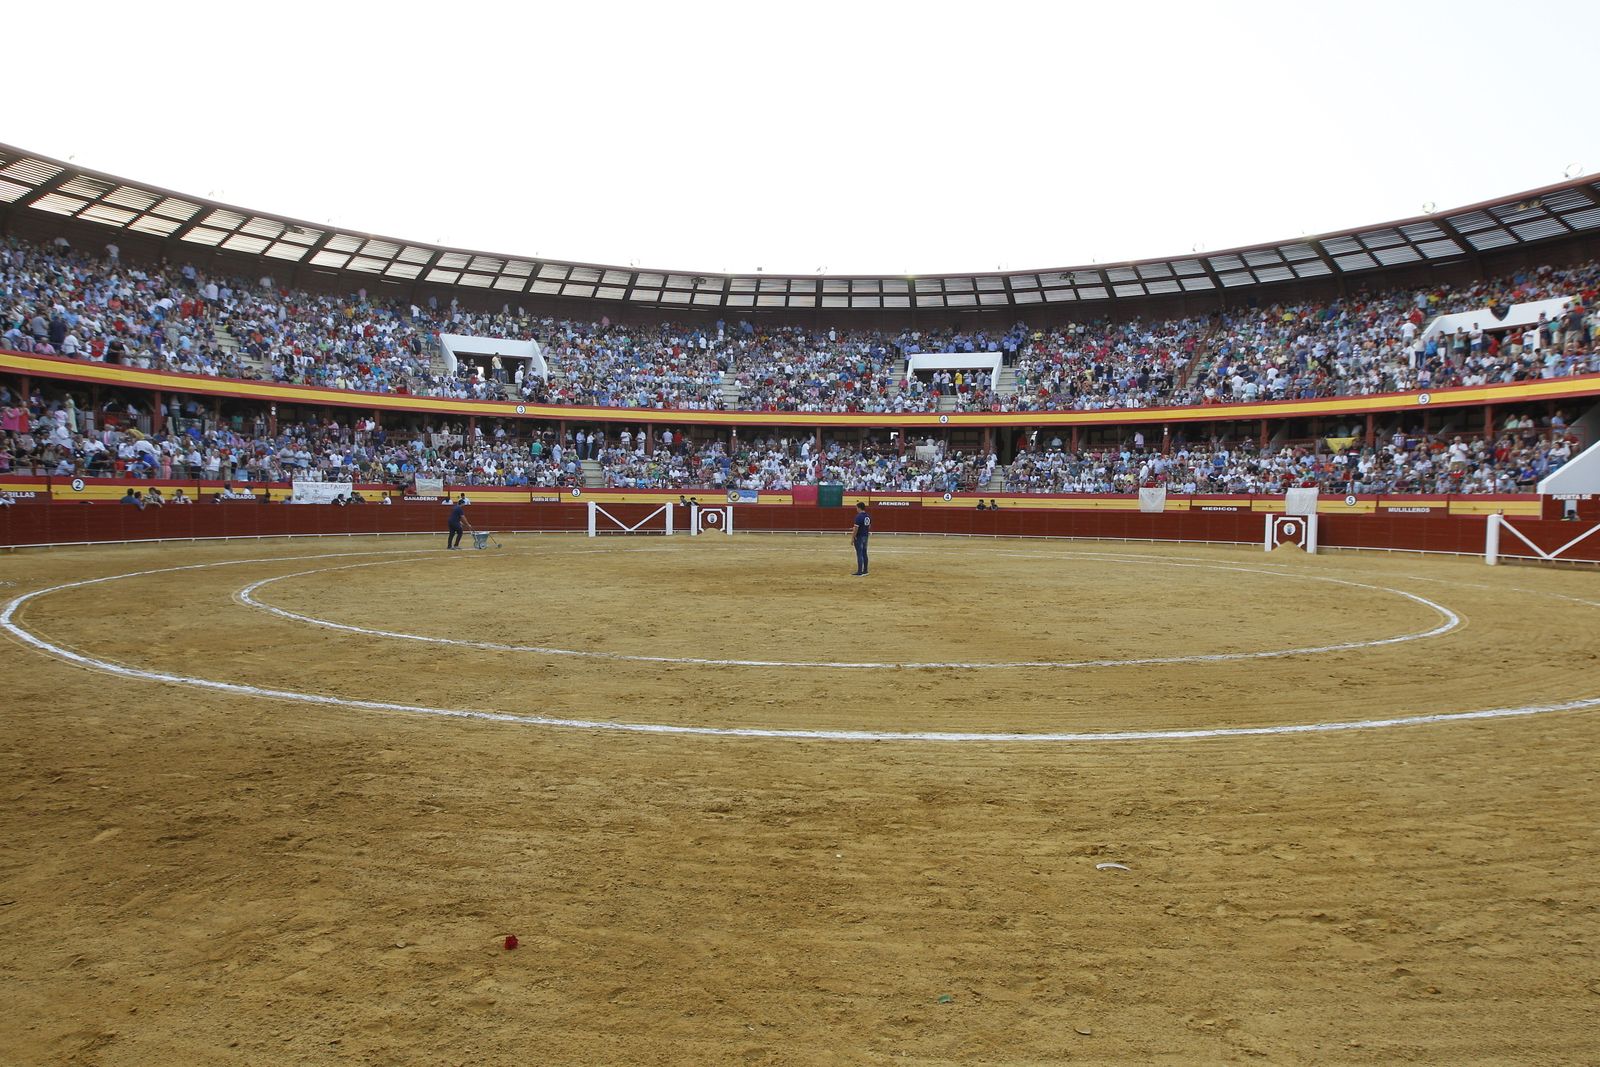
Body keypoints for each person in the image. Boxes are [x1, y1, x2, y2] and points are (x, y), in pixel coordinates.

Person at [850, 500, 870, 576]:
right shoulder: (868, 516)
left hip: (859, 537)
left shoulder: (859, 516)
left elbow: (856, 528)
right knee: (864, 553)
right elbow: (868, 526)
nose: (856, 509)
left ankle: (859, 571)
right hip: (865, 536)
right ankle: (865, 570)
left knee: (859, 554)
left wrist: (853, 537)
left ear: (859, 508)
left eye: (857, 508)